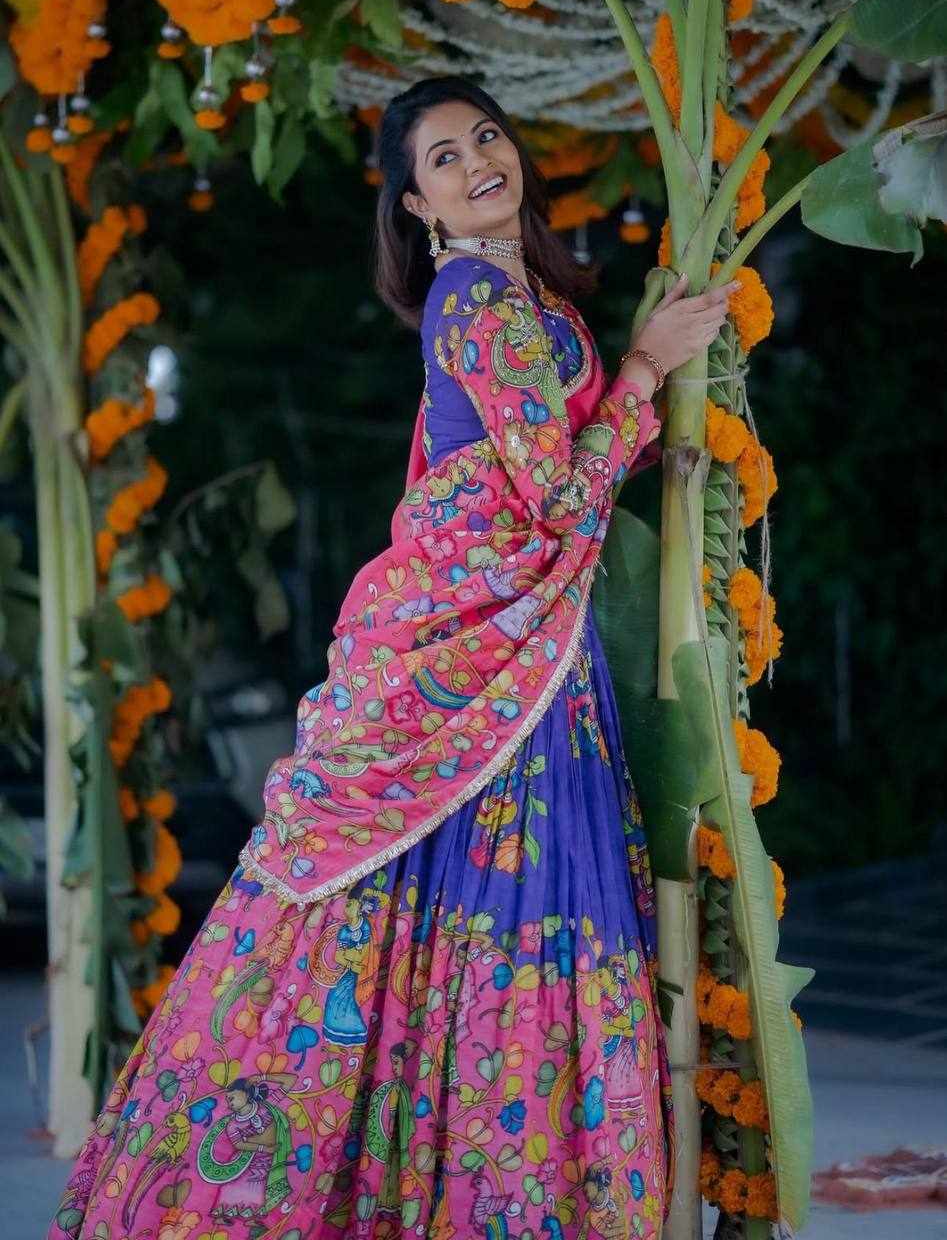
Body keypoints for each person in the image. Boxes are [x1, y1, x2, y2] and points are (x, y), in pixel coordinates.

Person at [48, 74, 738, 1240]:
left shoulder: (522, 291)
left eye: (485, 137)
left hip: (521, 646)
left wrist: (630, 382)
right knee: (445, 902)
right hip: (476, 654)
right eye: (443, 158)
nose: (477, 162)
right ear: (416, 206)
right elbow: (555, 493)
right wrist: (641, 370)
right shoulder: (472, 297)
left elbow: (545, 473)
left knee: (462, 899)